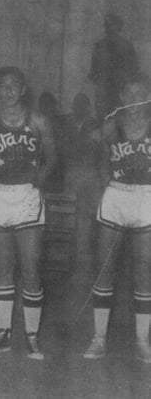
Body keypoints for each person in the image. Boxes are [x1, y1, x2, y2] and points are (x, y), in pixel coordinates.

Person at [0, 66, 56, 359]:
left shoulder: (38, 120)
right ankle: (3, 333)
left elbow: (52, 158)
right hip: (0, 194)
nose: (8, 91)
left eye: (13, 86)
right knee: (3, 268)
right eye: (3, 86)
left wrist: (37, 183)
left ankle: (32, 335)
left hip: (27, 196)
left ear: (23, 89)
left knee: (31, 267)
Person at [83, 74, 151, 361]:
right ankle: (98, 339)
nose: (135, 98)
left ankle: (142, 340)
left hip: (147, 197)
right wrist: (103, 194)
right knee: (105, 268)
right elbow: (100, 163)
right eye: (129, 92)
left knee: (144, 271)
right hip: (116, 195)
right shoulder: (111, 127)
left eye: (141, 92)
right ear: (122, 97)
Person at [89, 13, 140, 121]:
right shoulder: (98, 46)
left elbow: (135, 70)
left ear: (119, 26)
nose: (109, 27)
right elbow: (93, 72)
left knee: (122, 121)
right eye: (107, 24)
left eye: (112, 24)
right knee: (104, 122)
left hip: (122, 92)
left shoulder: (127, 46)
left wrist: (124, 82)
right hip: (104, 93)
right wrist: (103, 81)